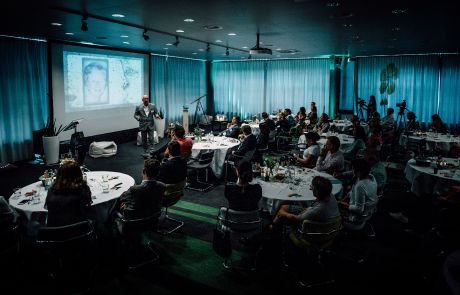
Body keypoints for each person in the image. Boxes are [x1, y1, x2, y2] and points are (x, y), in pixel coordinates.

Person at [271, 176, 339, 227]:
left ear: (317, 192)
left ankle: (273, 228)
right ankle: (273, 224)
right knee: (284, 205)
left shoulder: (317, 209)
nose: (311, 188)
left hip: (312, 228)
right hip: (325, 219)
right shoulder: (330, 195)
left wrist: (284, 213)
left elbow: (297, 218)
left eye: (312, 187)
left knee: (282, 210)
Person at [45, 159, 92, 226]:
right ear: (78, 174)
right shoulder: (82, 189)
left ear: (59, 175)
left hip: (54, 232)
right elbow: (88, 206)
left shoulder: (51, 190)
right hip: (79, 230)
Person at [338, 158, 378, 223]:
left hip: (356, 216)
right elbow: (352, 191)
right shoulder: (371, 177)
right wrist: (343, 200)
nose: (352, 171)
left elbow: (359, 209)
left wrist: (343, 204)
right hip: (367, 212)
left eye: (353, 169)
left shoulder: (360, 185)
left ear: (359, 172)